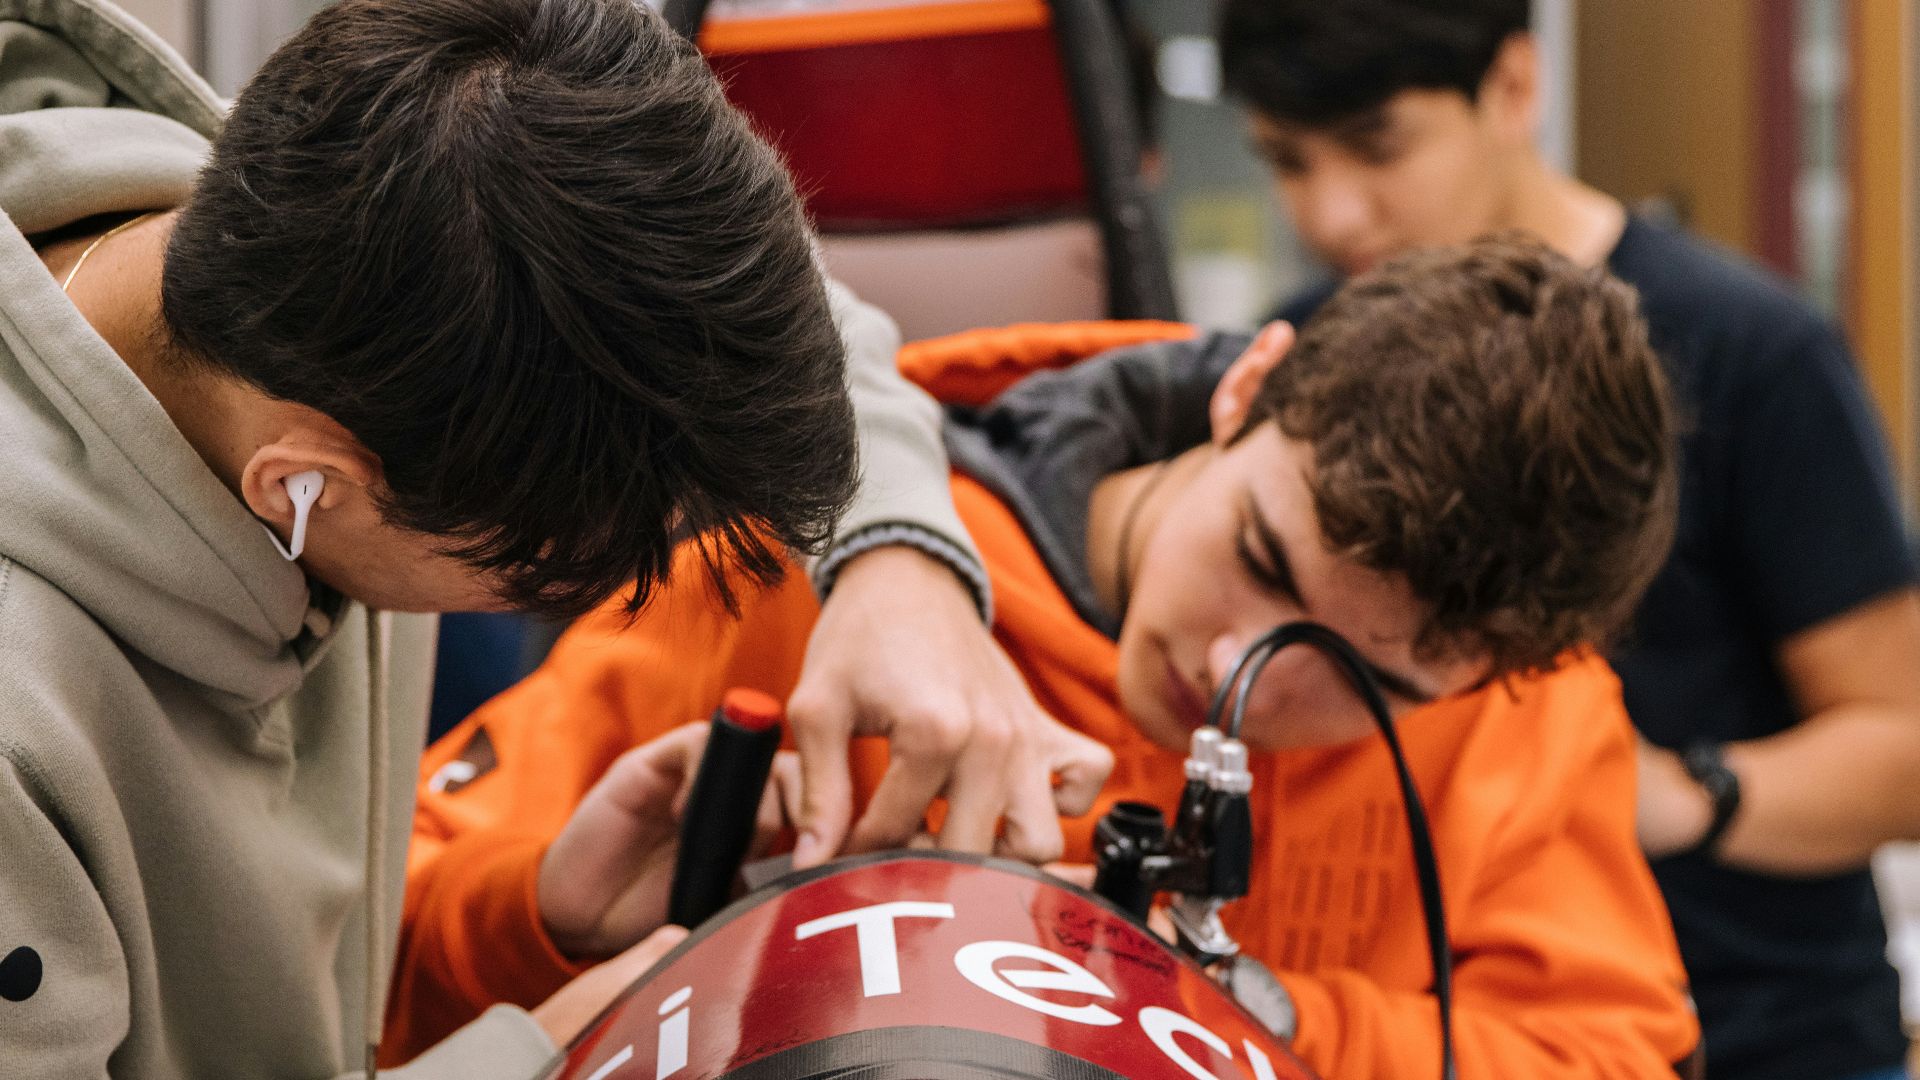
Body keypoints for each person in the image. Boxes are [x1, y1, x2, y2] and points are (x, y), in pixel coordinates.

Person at [0, 0, 1111, 1076]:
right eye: (544, 572)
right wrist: (531, 1061)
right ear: (305, 483)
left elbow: (802, 320)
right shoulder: (22, 732)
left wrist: (901, 561)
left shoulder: (359, 206)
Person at [399, 237, 1702, 1077]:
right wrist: (541, 925)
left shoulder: (1533, 711)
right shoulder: (822, 568)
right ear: (1248, 384)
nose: (1247, 671)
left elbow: (1615, 1055)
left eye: (1376, 686)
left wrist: (1259, 1020)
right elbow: (348, 957)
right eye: (1259, 557)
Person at [1184, 4, 1919, 1078]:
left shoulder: (1753, 353)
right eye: (1289, 163)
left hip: (1765, 1035)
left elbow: (1903, 750)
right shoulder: (1294, 357)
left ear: (1514, 87)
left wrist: (1684, 794)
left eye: (1379, 146)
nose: (1334, 211)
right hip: (1441, 1040)